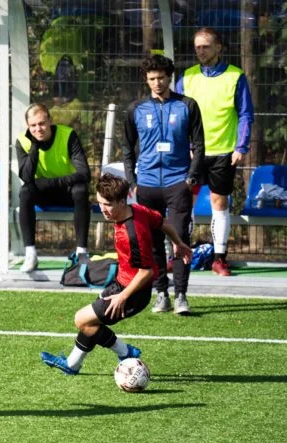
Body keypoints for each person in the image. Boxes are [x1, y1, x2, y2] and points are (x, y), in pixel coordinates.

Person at [40, 174, 192, 375]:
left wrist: (123, 296)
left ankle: (124, 352)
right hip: (121, 283)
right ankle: (73, 364)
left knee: (82, 320)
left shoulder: (131, 234)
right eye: (100, 202)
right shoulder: (137, 210)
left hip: (132, 292)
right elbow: (162, 222)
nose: (103, 209)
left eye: (108, 204)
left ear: (122, 201)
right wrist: (178, 243)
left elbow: (147, 272)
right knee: (91, 321)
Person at [123, 54, 204, 315]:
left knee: (179, 239)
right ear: (146, 80)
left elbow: (199, 145)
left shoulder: (187, 105)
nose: (157, 83)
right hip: (146, 184)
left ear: (170, 78)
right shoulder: (136, 109)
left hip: (177, 183)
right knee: (153, 242)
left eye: (161, 78)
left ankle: (181, 295)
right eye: (152, 79)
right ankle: (161, 293)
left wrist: (190, 177)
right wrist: (132, 181)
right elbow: (127, 147)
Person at [176, 27, 255, 277]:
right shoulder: (187, 77)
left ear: (218, 48)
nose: (201, 50)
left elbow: (245, 114)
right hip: (192, 153)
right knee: (182, 203)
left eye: (206, 46)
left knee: (219, 204)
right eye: (197, 46)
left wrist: (240, 147)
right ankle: (180, 255)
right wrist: (184, 146)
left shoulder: (235, 76)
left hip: (223, 152)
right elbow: (177, 114)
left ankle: (219, 258)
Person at [16, 103, 91, 272]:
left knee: (81, 190)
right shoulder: (23, 141)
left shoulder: (68, 135)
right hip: (42, 193)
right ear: (28, 126)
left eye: (42, 123)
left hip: (67, 191)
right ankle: (31, 254)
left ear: (50, 120)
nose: (38, 129)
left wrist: (51, 182)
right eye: (33, 126)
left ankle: (81, 253)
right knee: (25, 191)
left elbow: (84, 174)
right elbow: (26, 177)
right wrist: (35, 146)